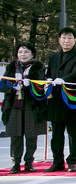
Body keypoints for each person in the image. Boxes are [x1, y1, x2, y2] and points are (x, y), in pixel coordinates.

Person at [45, 27, 76, 172]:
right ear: (59, 40)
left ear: (75, 40)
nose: (66, 41)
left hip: (71, 98)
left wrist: (63, 80)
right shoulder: (53, 57)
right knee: (56, 133)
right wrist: (47, 80)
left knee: (73, 133)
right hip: (55, 100)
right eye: (63, 38)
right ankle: (57, 161)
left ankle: (72, 161)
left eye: (69, 38)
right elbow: (49, 74)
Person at [1, 43, 47, 173]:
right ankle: (16, 162)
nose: (23, 55)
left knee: (31, 135)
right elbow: (3, 85)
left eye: (26, 52)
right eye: (20, 52)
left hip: (32, 105)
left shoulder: (38, 66)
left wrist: (30, 85)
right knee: (15, 134)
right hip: (14, 104)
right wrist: (13, 87)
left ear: (32, 54)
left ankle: (29, 161)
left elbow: (41, 84)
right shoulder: (11, 66)